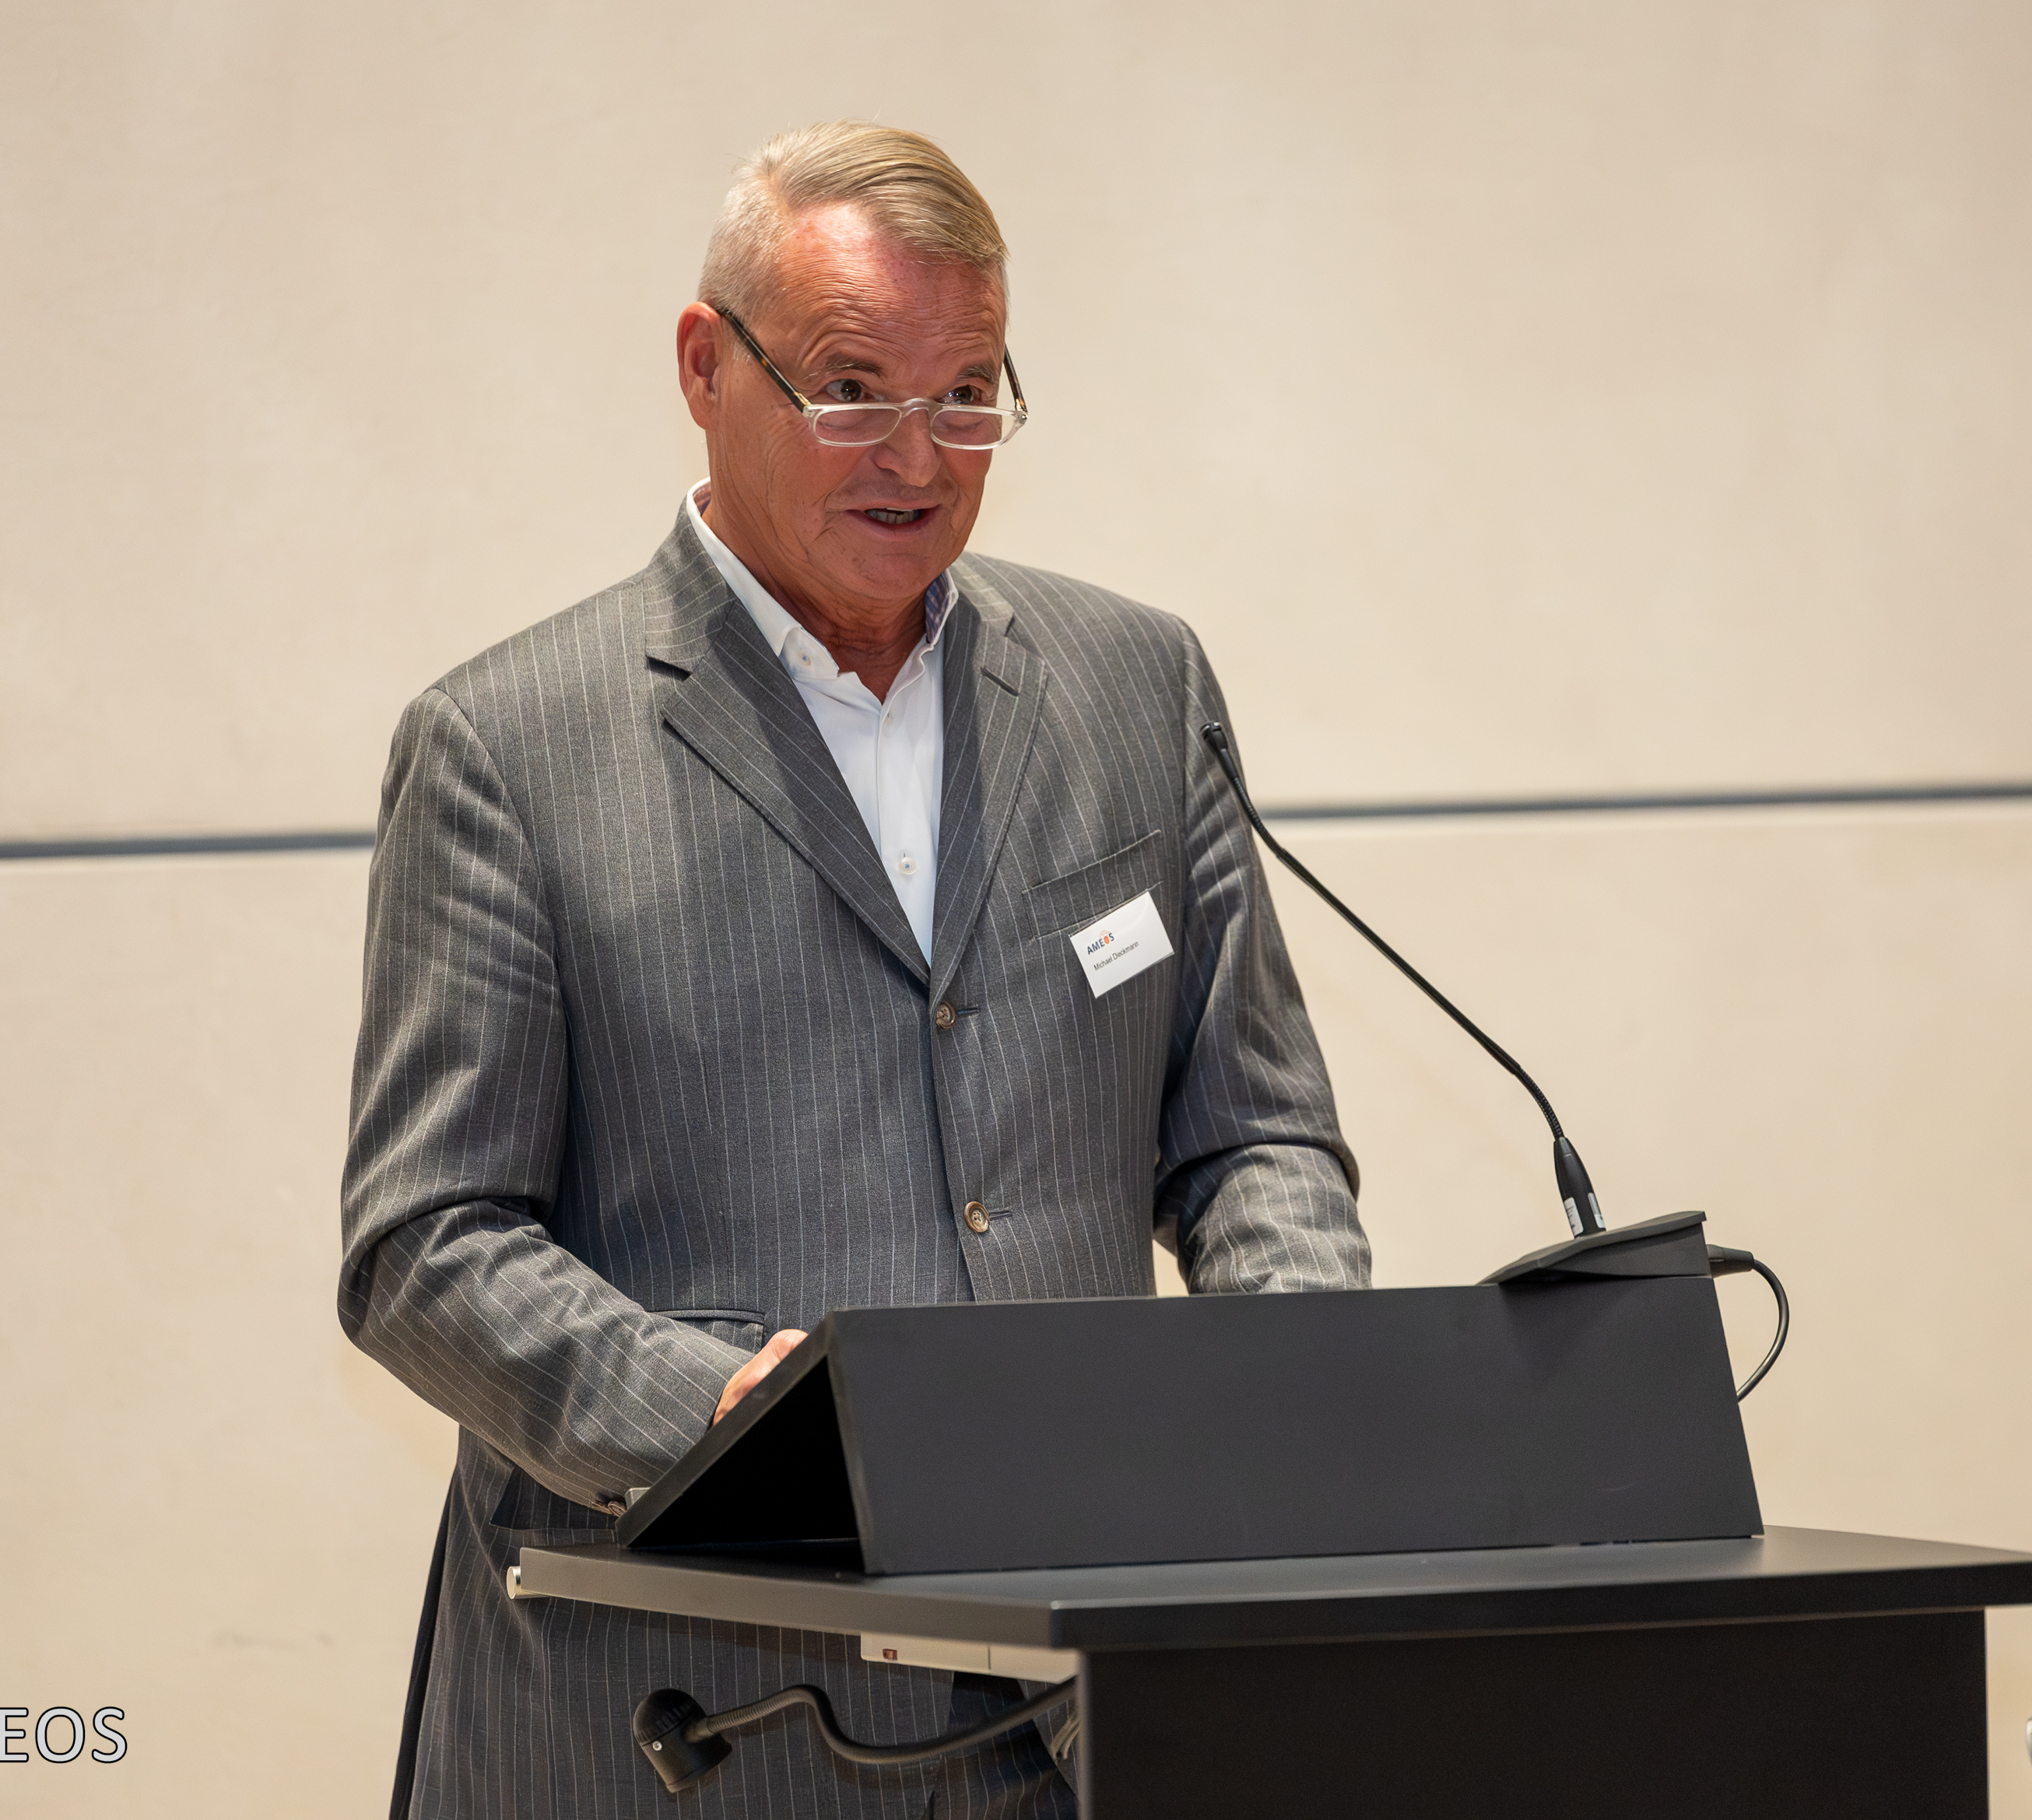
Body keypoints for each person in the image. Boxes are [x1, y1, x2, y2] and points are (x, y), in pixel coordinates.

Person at [339, 121, 1370, 1820]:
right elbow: (423, 1243)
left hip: (1076, 1722)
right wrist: (734, 1416)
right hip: (683, 1726)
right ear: (704, 367)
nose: (916, 455)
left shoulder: (1137, 686)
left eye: (967, 393)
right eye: (851, 390)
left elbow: (1252, 1133)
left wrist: (1293, 1371)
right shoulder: (506, 749)